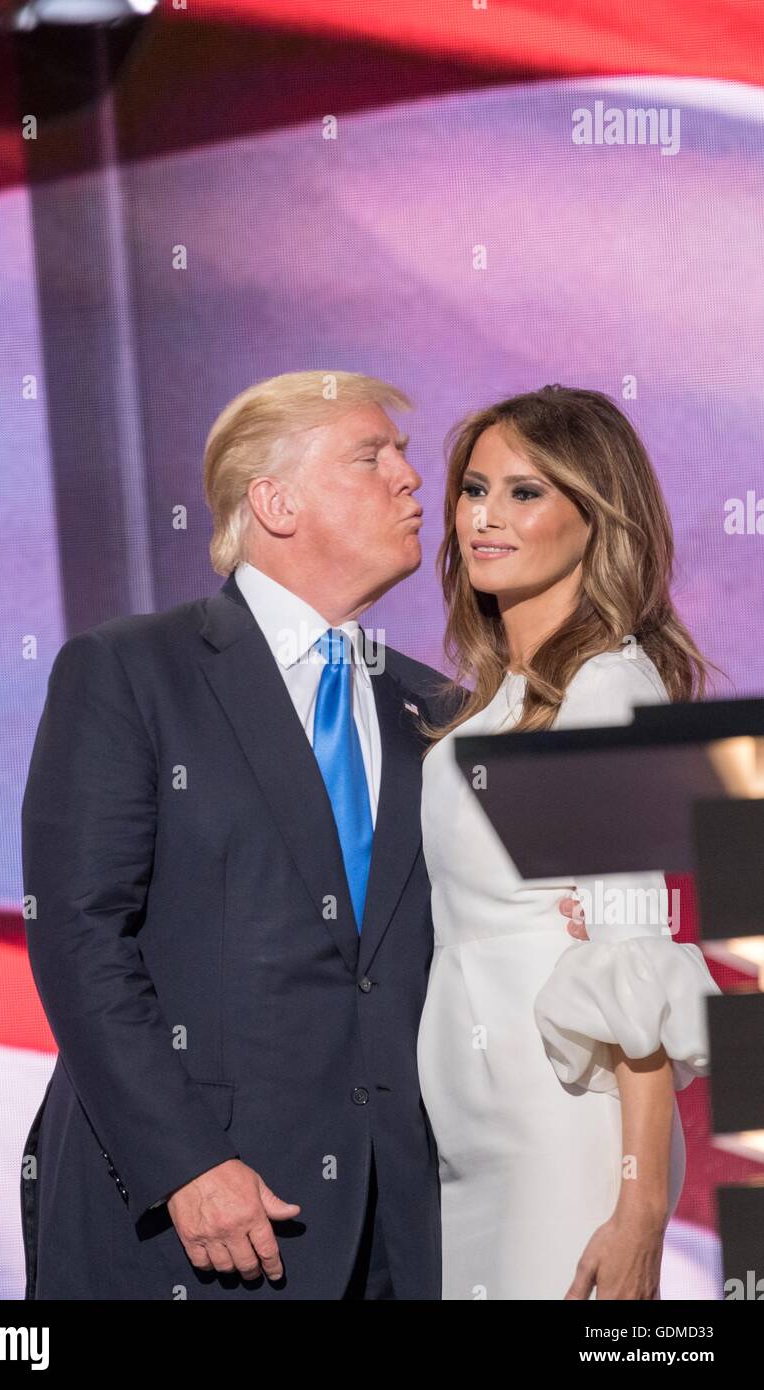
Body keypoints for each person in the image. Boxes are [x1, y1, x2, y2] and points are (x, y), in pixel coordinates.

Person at [20, 369, 472, 1300]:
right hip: (195, 1222)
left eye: (404, 456)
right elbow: (78, 936)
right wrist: (185, 1166)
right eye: (371, 456)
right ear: (274, 501)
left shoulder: (435, 708)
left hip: (396, 1237)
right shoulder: (133, 671)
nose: (411, 480)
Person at [416, 385, 723, 1300]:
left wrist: (638, 1211)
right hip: (475, 1127)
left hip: (562, 1133)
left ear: (597, 522)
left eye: (525, 493)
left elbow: (639, 959)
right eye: (475, 489)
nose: (485, 518)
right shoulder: (499, 698)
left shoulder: (608, 689)